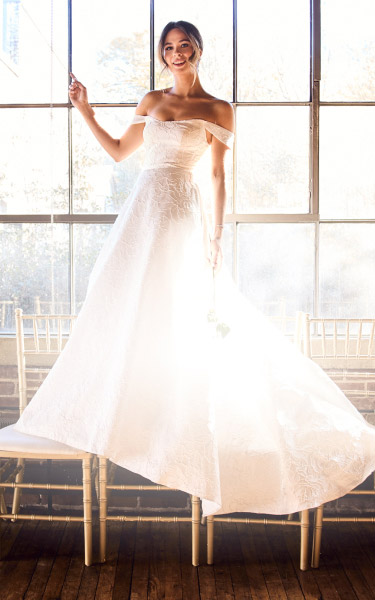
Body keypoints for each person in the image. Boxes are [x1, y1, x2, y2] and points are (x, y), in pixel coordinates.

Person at [15, 21, 375, 518]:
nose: (177, 53)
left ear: (198, 51)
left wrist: (217, 234)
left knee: (179, 308)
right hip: (141, 212)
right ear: (162, 56)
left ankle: (179, 416)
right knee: (124, 303)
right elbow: (121, 153)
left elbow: (217, 174)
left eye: (185, 46)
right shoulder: (150, 100)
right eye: (169, 47)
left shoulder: (217, 109)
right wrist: (85, 110)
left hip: (182, 209)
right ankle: (122, 410)